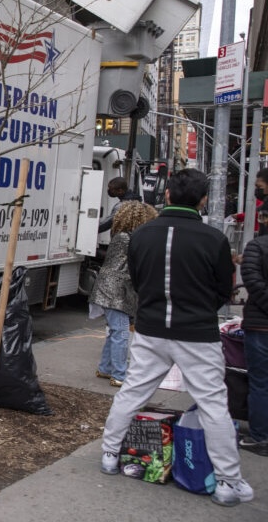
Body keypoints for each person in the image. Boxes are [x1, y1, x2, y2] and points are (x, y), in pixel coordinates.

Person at [99, 169, 253, 507]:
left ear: (166, 195)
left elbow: (137, 281)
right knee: (213, 404)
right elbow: (222, 290)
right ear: (202, 200)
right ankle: (228, 480)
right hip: (197, 331)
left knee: (133, 390)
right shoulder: (213, 239)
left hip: (152, 327)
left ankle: (110, 453)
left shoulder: (142, 235)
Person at [89, 201, 158, 387]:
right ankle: (119, 374)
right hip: (116, 291)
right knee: (120, 333)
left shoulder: (121, 236)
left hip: (111, 289)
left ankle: (105, 368)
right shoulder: (130, 239)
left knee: (115, 331)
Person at [238, 204, 268, 457]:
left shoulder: (257, 247)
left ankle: (260, 436)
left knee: (260, 382)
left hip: (260, 324)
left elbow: (252, 280)